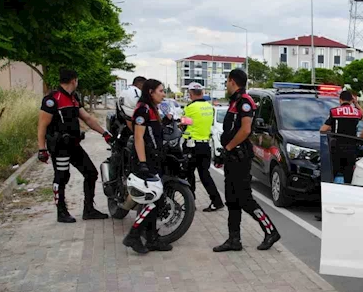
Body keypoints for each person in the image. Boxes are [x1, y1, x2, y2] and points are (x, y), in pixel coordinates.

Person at [213, 69, 281, 252]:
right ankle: (234, 240)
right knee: (232, 199)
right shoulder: (235, 101)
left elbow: (245, 130)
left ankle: (271, 231)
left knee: (245, 199)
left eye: (227, 81)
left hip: (240, 157)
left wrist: (227, 148)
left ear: (232, 81)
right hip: (232, 157)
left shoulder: (244, 101)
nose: (226, 85)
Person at [37, 68, 115, 223]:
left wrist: (105, 133)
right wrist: (42, 149)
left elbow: (87, 118)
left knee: (91, 173)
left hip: (73, 145)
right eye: (77, 80)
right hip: (59, 147)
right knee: (62, 177)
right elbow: (42, 125)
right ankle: (61, 212)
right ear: (74, 80)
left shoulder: (73, 98)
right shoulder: (53, 99)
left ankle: (89, 210)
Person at [122, 79, 173, 254]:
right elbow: (139, 137)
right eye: (161, 91)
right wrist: (143, 163)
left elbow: (154, 133)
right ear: (150, 91)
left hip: (154, 158)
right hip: (146, 161)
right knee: (151, 200)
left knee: (155, 200)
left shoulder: (152, 109)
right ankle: (133, 236)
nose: (163, 94)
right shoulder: (143, 109)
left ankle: (151, 238)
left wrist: (166, 122)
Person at [183, 82, 225, 212]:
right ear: (202, 93)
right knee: (205, 174)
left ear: (190, 94)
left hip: (192, 146)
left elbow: (184, 123)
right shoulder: (209, 107)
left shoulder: (189, 108)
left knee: (188, 174)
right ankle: (217, 201)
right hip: (205, 145)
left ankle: (190, 203)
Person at [320, 90, 363, 184]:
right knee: (348, 173)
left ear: (340, 100)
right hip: (352, 147)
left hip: (337, 147)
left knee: (334, 171)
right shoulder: (356, 112)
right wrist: (356, 104)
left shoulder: (334, 111)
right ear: (352, 100)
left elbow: (323, 129)